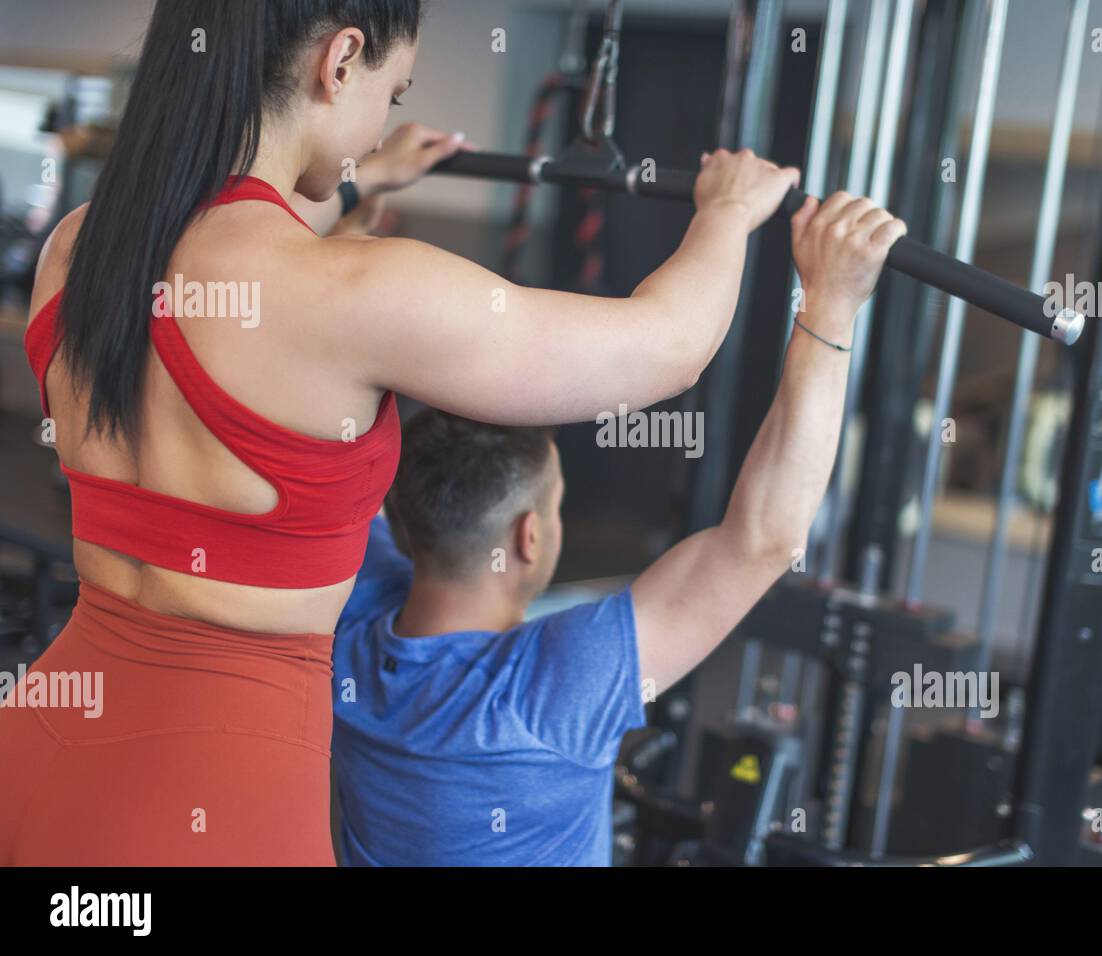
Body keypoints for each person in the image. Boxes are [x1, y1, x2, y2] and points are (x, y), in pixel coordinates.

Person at [0, 0, 799, 865]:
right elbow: (669, 349)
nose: (379, 122)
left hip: (45, 749)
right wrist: (727, 213)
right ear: (340, 61)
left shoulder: (80, 249)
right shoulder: (353, 290)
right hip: (220, 800)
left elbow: (232, 260)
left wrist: (353, 181)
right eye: (391, 90)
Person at [331, 191, 906, 865]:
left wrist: (353, 212)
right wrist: (830, 304)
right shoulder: (555, 685)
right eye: (556, 503)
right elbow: (765, 539)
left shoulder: (347, 627)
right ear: (529, 537)